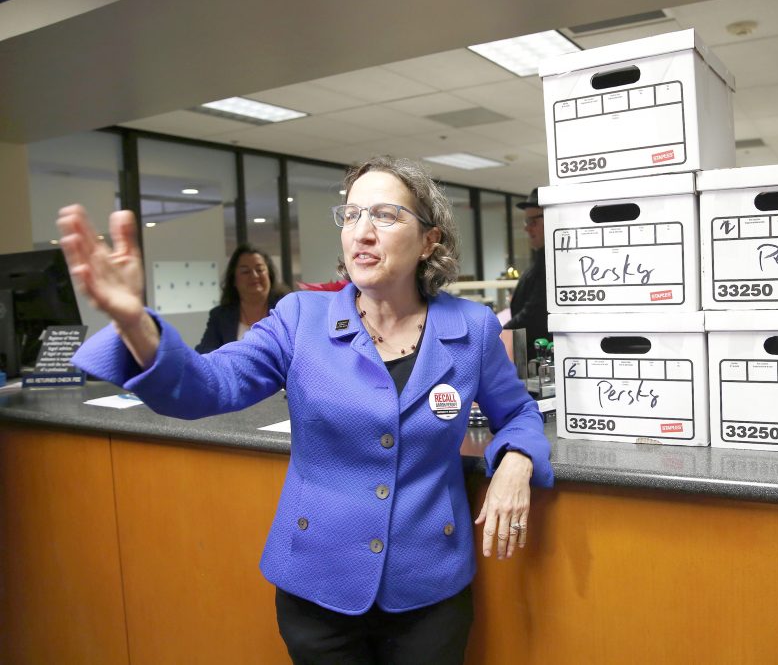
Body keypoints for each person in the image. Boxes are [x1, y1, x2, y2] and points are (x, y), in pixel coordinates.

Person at [57, 156, 553, 665]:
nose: (362, 232)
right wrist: (134, 322)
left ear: (430, 240)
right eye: (352, 214)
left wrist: (516, 461)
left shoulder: (471, 328)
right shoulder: (299, 318)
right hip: (319, 585)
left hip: (430, 586)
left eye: (385, 215)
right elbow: (207, 386)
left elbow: (517, 412)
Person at [196, 243, 287, 354]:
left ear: (270, 276)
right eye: (245, 271)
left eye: (259, 270)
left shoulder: (286, 310)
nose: (254, 275)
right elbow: (205, 354)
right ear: (234, 280)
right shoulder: (220, 316)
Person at [504, 189, 551, 360]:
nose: (526, 228)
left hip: (542, 357)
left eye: (532, 221)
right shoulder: (542, 259)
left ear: (551, 219)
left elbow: (533, 314)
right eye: (526, 221)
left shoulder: (552, 263)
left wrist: (499, 331)